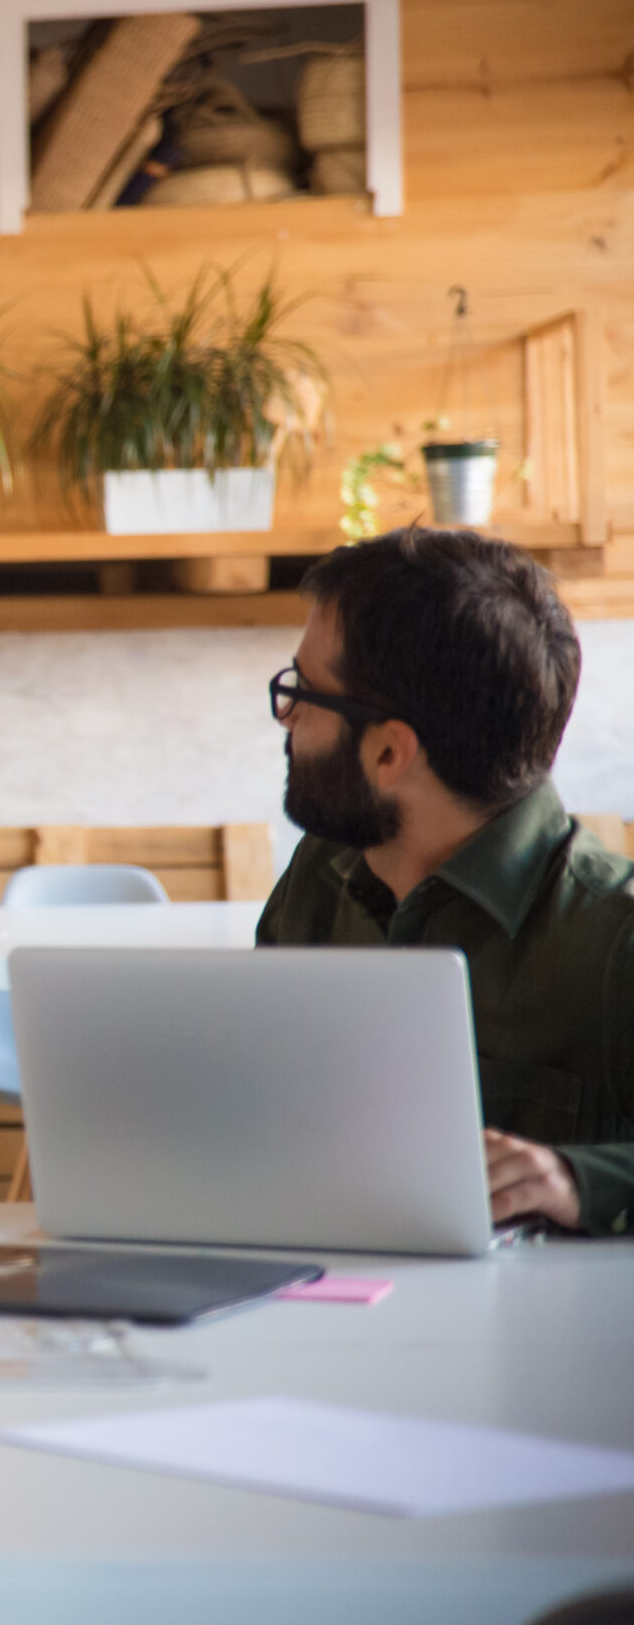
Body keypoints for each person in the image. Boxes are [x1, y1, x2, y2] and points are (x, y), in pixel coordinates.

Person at [258, 526, 633, 1236]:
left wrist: (579, 1179)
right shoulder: (321, 872)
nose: (289, 714)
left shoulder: (615, 936)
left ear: (390, 751)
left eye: (304, 690)